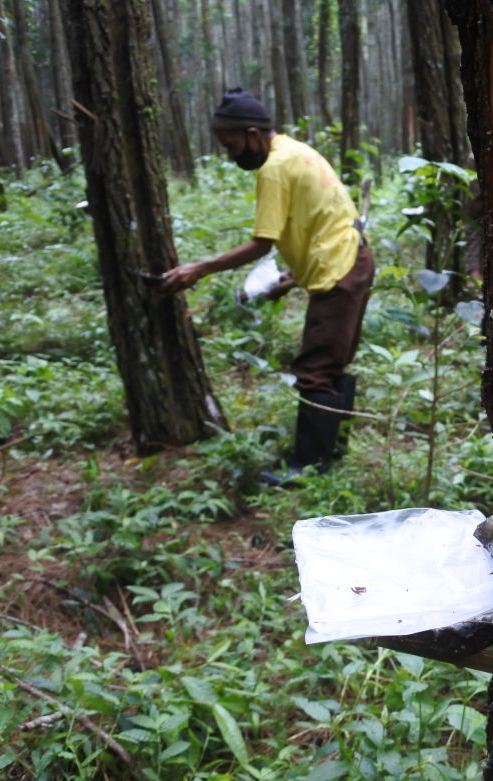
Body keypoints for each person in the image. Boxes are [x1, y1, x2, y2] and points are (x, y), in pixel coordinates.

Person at [161, 88, 374, 484]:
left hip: (340, 268)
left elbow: (262, 243)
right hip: (352, 259)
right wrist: (291, 278)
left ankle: (307, 468)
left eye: (232, 145)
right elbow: (317, 218)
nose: (231, 154)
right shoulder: (294, 150)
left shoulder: (276, 167)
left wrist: (200, 268)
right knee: (332, 363)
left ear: (254, 134)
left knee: (316, 369)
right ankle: (331, 453)